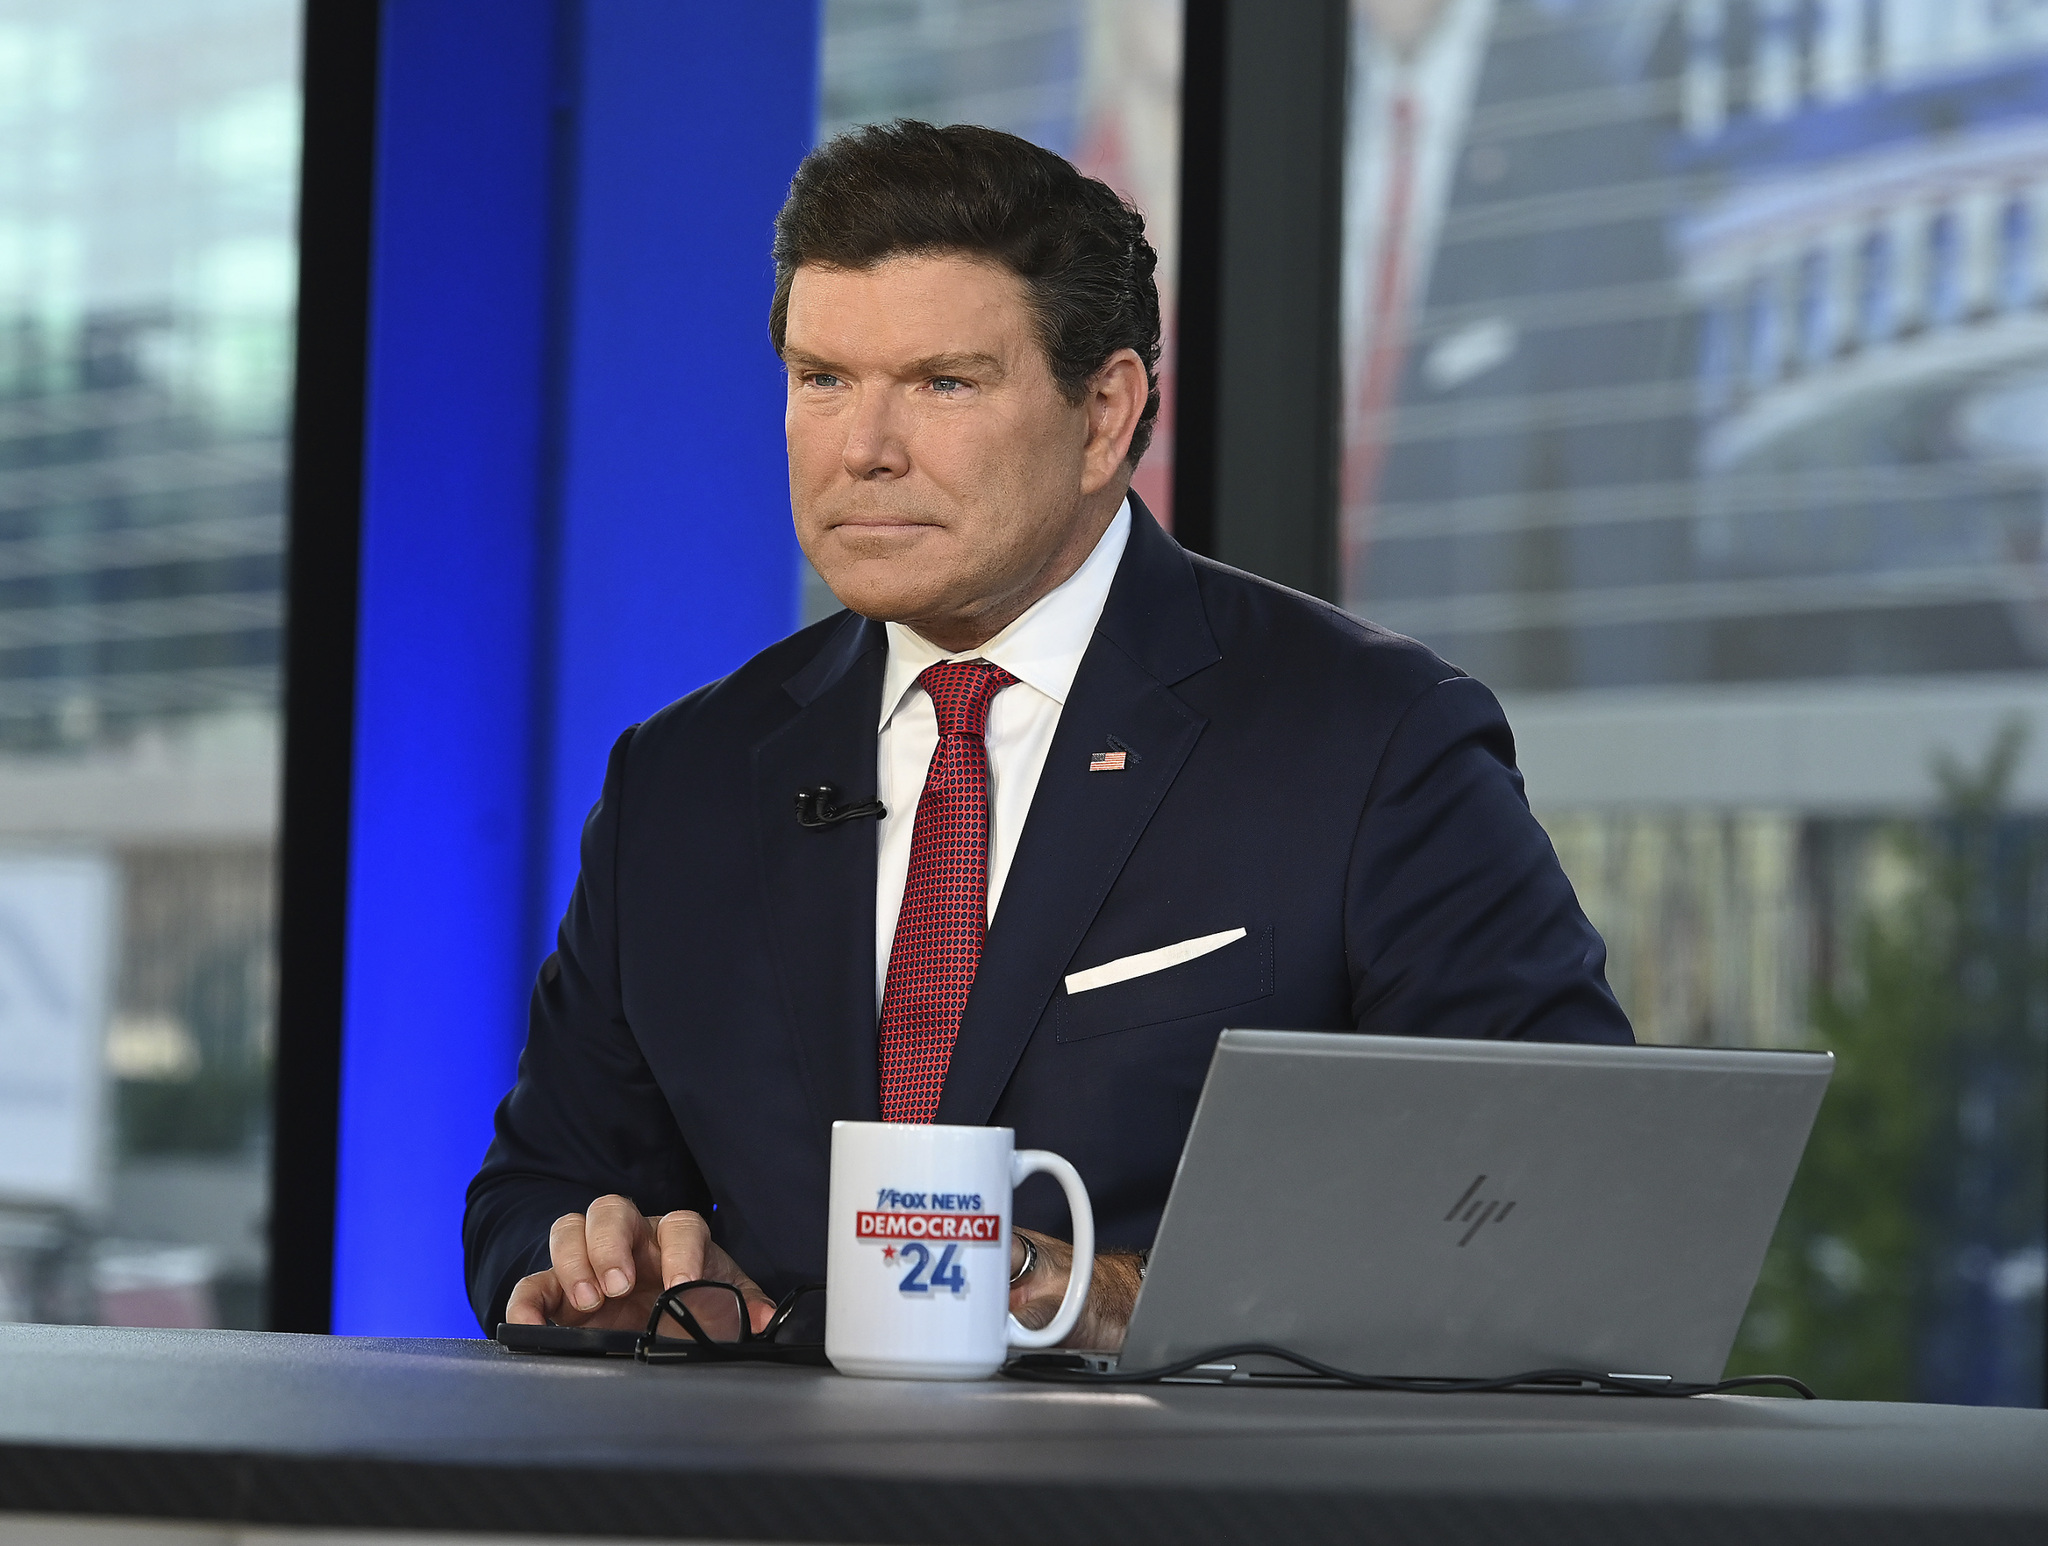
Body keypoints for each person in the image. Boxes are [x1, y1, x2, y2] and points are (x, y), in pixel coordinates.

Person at [467, 120, 1633, 1347]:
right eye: (822, 379)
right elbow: (535, 1189)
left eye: (943, 384)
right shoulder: (681, 780)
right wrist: (589, 1264)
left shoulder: (1368, 740)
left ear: (1103, 414)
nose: (863, 450)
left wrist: (1112, 1297)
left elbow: (1557, 1191)